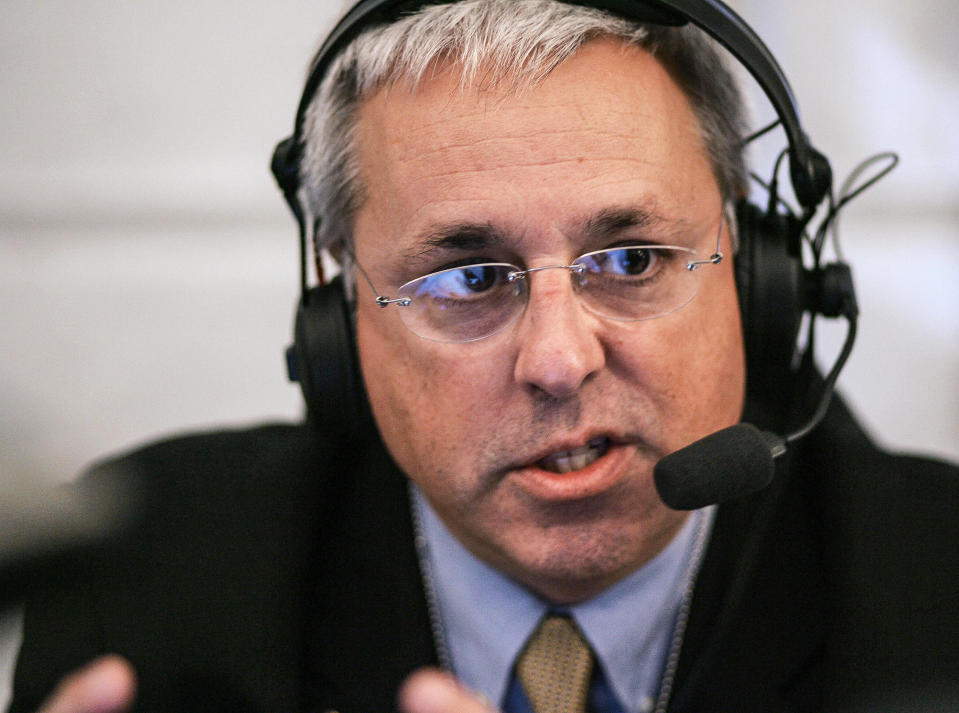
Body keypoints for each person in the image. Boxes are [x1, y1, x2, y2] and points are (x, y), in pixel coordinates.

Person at [9, 1, 959, 712]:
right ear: (341, 326)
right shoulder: (140, 592)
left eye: (631, 260)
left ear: (759, 283)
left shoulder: (936, 596)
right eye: (469, 279)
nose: (558, 360)